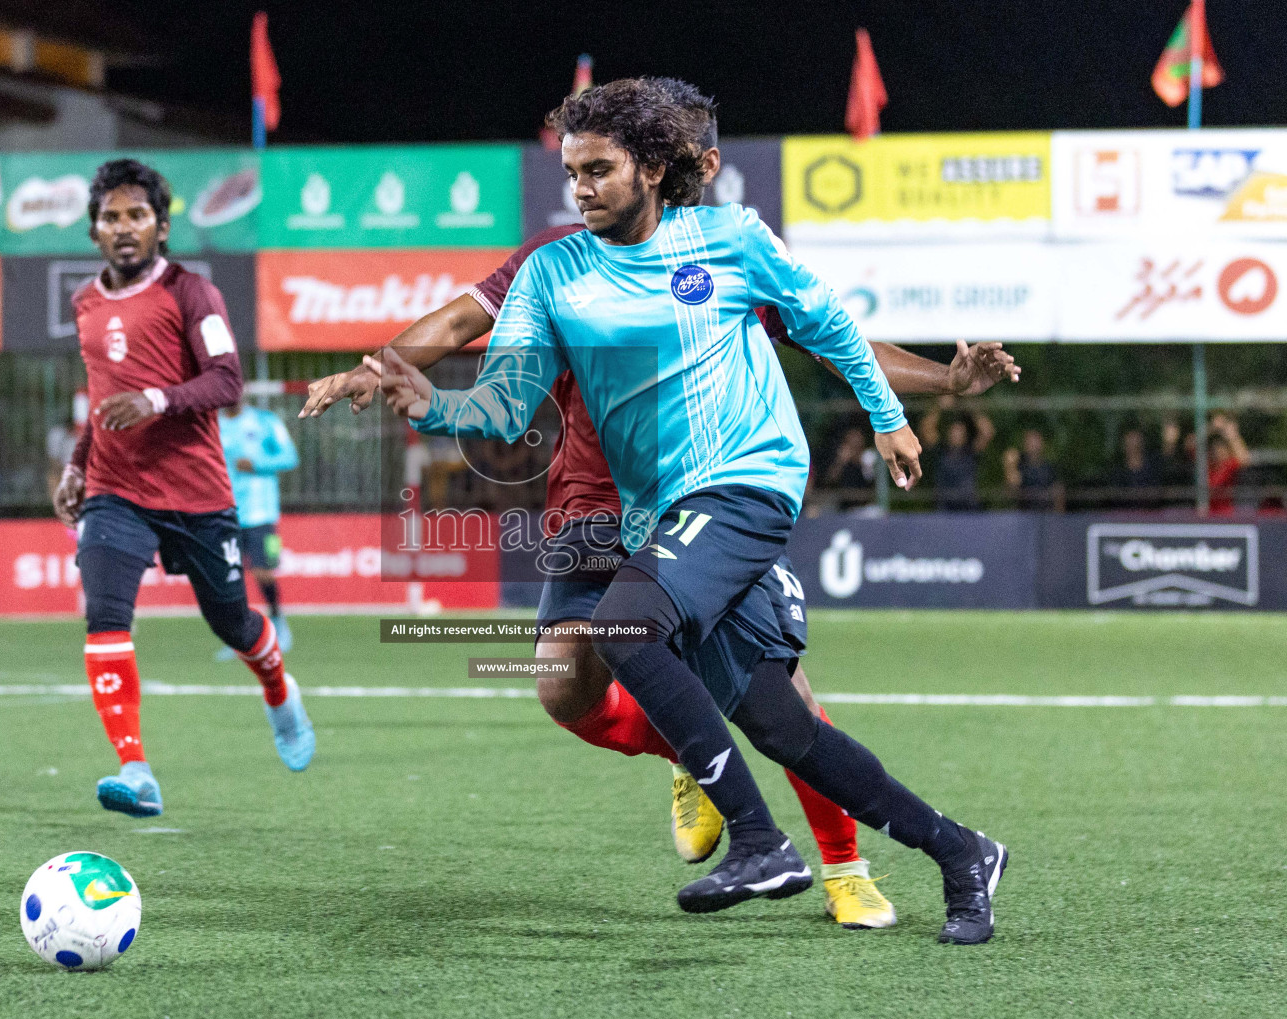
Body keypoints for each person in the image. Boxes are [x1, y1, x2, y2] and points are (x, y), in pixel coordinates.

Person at [303, 81, 1018, 933]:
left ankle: (790, 851)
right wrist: (427, 401)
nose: (581, 188)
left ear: (654, 168)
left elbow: (830, 328)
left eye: (599, 169)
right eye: (572, 173)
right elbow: (505, 392)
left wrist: (904, 407)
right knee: (778, 725)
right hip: (635, 512)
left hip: (742, 485)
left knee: (631, 629)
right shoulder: (552, 269)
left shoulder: (728, 245)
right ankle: (960, 851)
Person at [51, 158, 315, 817]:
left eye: (136, 214)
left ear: (162, 227)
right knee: (104, 614)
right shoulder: (84, 303)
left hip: (198, 496)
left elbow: (226, 381)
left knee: (231, 622)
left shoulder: (191, 293)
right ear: (93, 232)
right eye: (110, 217)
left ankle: (279, 688)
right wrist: (78, 464)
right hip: (115, 491)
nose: (123, 227)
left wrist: (158, 399)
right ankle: (136, 771)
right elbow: (102, 399)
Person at [216, 398, 299, 656]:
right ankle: (238, 635)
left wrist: (257, 463)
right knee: (230, 575)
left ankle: (278, 622)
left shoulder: (265, 421)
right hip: (225, 511)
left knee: (262, 570)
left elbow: (290, 457)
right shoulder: (213, 424)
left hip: (261, 512)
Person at [921, 398, 994, 511]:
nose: (956, 434)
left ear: (965, 434)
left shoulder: (970, 451)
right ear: (948, 433)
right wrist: (939, 407)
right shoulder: (940, 449)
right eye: (953, 431)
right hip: (943, 505)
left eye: (959, 431)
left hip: (969, 506)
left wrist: (971, 407)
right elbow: (926, 430)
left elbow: (988, 433)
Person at [1002, 428, 1063, 512]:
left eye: (1036, 440)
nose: (1033, 444)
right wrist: (1010, 466)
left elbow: (1058, 491)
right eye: (1030, 440)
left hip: (1045, 514)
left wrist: (1058, 516)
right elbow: (1012, 488)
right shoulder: (1020, 465)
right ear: (1024, 443)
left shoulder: (1048, 467)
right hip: (1025, 514)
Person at [821, 426, 876, 511]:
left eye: (857, 443)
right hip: (842, 506)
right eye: (851, 443)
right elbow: (830, 481)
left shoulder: (868, 458)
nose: (855, 445)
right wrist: (840, 462)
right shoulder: (842, 461)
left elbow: (872, 484)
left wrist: (861, 462)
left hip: (865, 507)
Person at [1207, 413, 1252, 516]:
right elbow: (1191, 444)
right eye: (1215, 448)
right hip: (1206, 514)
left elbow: (1245, 459)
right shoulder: (1207, 464)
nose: (1217, 452)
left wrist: (1232, 435)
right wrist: (1211, 427)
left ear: (1227, 450)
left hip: (1226, 514)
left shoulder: (1229, 465)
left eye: (1221, 448)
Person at [1112, 427, 1161, 509]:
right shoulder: (1118, 472)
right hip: (1123, 515)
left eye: (1136, 440)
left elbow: (1157, 494)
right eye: (1129, 440)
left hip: (1149, 515)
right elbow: (1113, 497)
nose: (1133, 444)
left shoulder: (1154, 470)